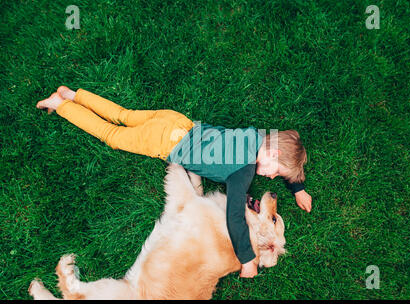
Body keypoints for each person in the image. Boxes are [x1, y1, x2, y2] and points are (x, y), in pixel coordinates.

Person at [36, 86, 313, 278]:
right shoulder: (243, 173)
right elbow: (235, 218)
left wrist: (297, 187)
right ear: (273, 153)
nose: (272, 176)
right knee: (112, 135)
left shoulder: (256, 135)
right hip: (164, 142)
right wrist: (247, 259)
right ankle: (60, 104)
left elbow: (289, 150)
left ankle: (73, 95)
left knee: (124, 114)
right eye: (276, 171)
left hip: (177, 122)